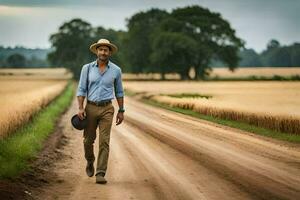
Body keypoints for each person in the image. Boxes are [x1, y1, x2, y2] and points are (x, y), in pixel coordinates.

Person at [76, 38, 125, 184]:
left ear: (109, 52)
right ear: (97, 51)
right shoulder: (87, 68)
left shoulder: (116, 70)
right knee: (88, 141)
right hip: (90, 108)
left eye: (106, 50)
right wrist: (80, 107)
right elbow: (81, 89)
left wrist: (121, 110)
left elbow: (119, 92)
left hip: (107, 109)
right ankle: (90, 161)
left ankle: (100, 172)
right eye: (101, 49)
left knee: (105, 142)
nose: (103, 52)